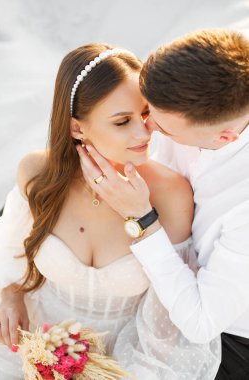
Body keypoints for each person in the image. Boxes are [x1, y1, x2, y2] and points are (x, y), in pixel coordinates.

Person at [0, 43, 220, 379]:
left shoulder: (171, 194)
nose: (145, 131)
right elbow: (10, 250)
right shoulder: (37, 173)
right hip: (29, 340)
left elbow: (163, 329)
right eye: (122, 121)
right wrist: (11, 294)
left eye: (146, 114)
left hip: (124, 360)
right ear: (77, 128)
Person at [76, 30, 249, 380]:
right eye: (144, 111)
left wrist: (141, 218)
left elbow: (201, 323)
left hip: (228, 335)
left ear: (225, 137)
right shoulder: (195, 101)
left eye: (162, 127)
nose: (146, 129)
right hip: (163, 275)